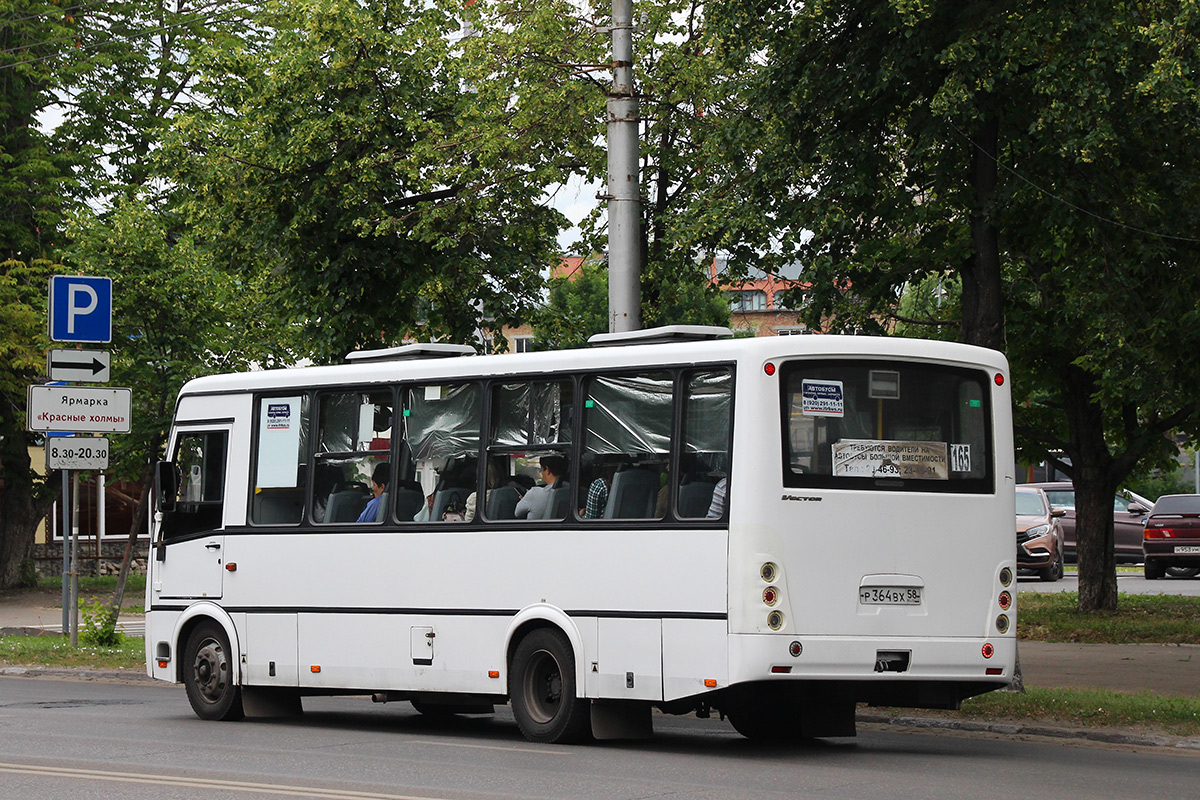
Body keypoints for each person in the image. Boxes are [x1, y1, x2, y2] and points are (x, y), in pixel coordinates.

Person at [514, 455, 568, 520]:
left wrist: (526, 498)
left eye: (542, 469)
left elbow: (517, 513)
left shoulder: (534, 493)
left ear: (547, 470)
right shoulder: (572, 490)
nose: (542, 473)